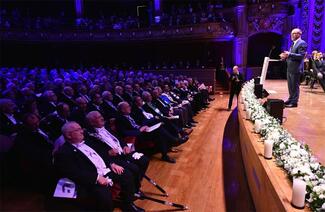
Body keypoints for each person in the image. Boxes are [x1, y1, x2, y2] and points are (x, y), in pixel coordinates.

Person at [54, 122, 143, 212]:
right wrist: (96, 178)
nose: (82, 131)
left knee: (127, 174)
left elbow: (101, 154)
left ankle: (128, 204)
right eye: (78, 130)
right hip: (91, 179)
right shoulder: (64, 153)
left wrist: (112, 164)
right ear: (69, 135)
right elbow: (74, 173)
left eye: (81, 128)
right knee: (103, 195)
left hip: (106, 170)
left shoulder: (87, 141)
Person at [280, 28, 307, 108]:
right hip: (290, 68)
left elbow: (301, 56)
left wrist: (289, 54)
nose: (292, 35)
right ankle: (290, 99)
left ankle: (294, 102)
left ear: (299, 34)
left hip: (296, 68)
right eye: (292, 33)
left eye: (294, 33)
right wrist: (285, 57)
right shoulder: (293, 43)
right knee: (290, 85)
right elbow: (291, 55)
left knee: (295, 86)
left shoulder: (302, 43)